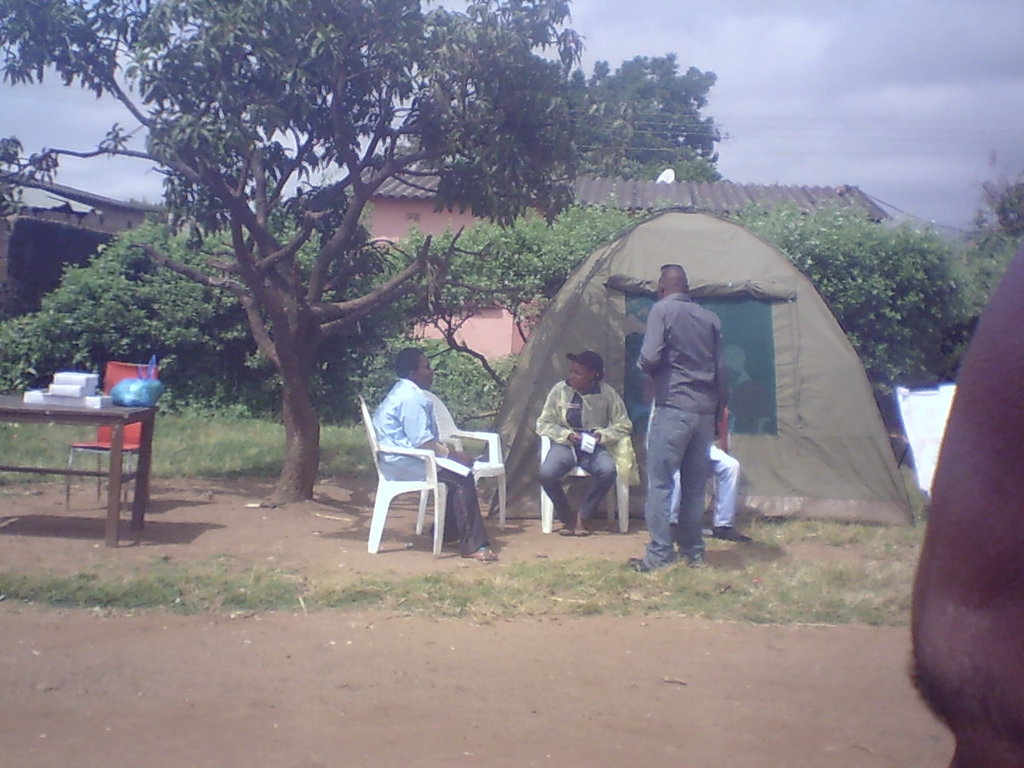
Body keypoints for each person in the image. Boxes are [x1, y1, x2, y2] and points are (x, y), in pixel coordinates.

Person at [630, 263, 728, 571]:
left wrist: (646, 370)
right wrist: (718, 414)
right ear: (687, 287)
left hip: (673, 407)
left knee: (660, 484)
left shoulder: (662, 310)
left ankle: (659, 556)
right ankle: (693, 553)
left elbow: (650, 356)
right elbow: (721, 371)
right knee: (695, 487)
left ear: (662, 287)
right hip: (704, 412)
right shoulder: (710, 318)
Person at [372, 347, 497, 562]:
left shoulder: (401, 391)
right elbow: (424, 443)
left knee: (457, 473)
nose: (432, 372)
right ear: (413, 373)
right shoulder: (412, 398)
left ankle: (448, 532)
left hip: (398, 460)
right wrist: (454, 454)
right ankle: (472, 545)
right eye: (427, 367)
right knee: (461, 478)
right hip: (404, 463)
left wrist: (450, 456)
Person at [536, 351, 634, 536]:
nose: (572, 376)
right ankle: (567, 517)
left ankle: (583, 515)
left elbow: (624, 425)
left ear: (592, 375)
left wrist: (601, 436)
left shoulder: (606, 393)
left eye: (578, 373)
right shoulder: (560, 390)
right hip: (565, 444)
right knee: (546, 474)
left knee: (608, 471)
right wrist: (566, 435)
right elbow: (543, 423)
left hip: (593, 447)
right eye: (571, 371)